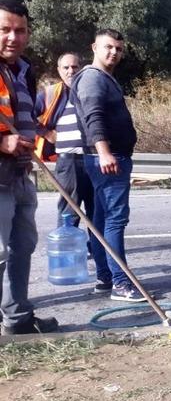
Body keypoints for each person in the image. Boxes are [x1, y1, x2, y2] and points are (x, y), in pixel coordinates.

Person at [0, 0, 59, 334]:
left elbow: (25, 119)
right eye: (5, 29)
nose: (13, 37)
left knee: (22, 247)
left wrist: (32, 135)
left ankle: (18, 319)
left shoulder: (23, 69)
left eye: (20, 30)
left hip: (21, 174)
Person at [71, 29, 144, 302]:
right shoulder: (92, 78)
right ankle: (121, 284)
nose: (114, 52)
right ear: (94, 47)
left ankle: (106, 277)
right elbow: (94, 117)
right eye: (108, 47)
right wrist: (104, 152)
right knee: (115, 221)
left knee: (101, 221)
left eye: (118, 49)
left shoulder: (104, 78)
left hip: (109, 157)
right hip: (109, 159)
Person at [35, 53, 97, 262]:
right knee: (70, 207)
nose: (71, 71)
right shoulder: (50, 94)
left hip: (94, 159)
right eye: (66, 68)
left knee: (96, 208)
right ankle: (68, 251)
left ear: (81, 68)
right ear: (59, 70)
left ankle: (94, 248)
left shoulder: (89, 90)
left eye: (75, 67)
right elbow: (26, 115)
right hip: (68, 161)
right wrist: (48, 134)